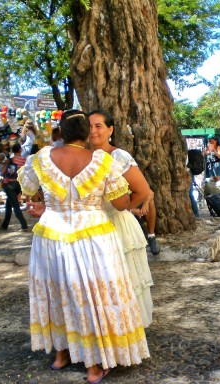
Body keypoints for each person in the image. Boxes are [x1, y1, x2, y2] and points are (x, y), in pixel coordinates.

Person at [19, 110, 150, 383]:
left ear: (62, 132)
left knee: (57, 293)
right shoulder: (101, 161)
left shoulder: (40, 158)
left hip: (51, 235)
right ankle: (94, 365)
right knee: (94, 297)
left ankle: (61, 354)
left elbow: (29, 191)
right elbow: (121, 203)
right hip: (94, 237)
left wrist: (53, 202)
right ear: (86, 132)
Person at [88, 109, 155, 327]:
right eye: (89, 126)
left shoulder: (118, 156)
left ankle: (128, 328)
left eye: (98, 126)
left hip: (118, 226)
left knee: (123, 279)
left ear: (110, 129)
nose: (93, 130)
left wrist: (120, 209)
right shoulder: (83, 157)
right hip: (92, 228)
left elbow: (142, 191)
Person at [0, 143, 28, 232]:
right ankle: (4, 225)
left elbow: (2, 172)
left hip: (9, 184)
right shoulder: (24, 160)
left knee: (15, 206)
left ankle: (24, 224)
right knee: (8, 206)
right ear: (20, 150)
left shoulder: (10, 160)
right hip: (18, 184)